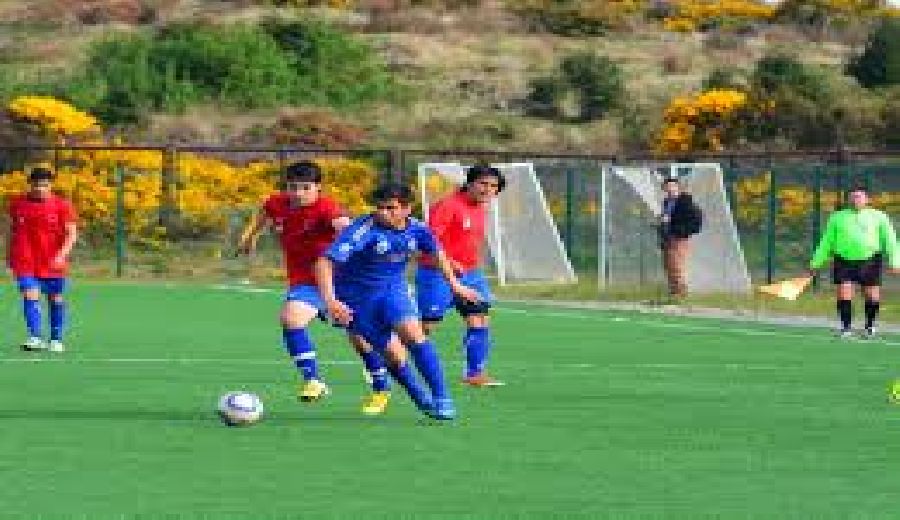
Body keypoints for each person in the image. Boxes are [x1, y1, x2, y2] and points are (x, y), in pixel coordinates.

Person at [315, 182, 481, 420]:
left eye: (390, 208)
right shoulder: (362, 229)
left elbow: (437, 253)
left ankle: (442, 397)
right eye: (380, 207)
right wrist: (330, 300)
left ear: (407, 209)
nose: (383, 213)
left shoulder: (418, 229)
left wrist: (455, 285)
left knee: (414, 335)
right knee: (393, 355)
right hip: (357, 298)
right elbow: (325, 262)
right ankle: (417, 393)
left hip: (393, 290)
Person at [238, 160, 360, 402]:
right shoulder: (277, 203)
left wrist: (350, 235)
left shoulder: (327, 208)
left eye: (305, 188)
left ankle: (381, 379)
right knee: (291, 319)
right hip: (306, 282)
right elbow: (265, 212)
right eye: (292, 187)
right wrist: (250, 236)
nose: (298, 193)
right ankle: (313, 380)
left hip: (340, 281)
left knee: (363, 338)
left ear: (318, 188)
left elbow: (345, 226)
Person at [416, 164, 505, 387]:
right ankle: (388, 356)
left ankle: (474, 374)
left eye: (493, 186)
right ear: (470, 183)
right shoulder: (447, 206)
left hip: (471, 274)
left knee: (480, 319)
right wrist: (450, 262)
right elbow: (427, 243)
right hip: (436, 274)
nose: (488, 189)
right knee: (426, 326)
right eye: (483, 183)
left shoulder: (481, 208)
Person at [808, 185, 899, 338]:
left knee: (872, 296)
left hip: (870, 260)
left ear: (867, 199)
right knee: (844, 293)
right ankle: (846, 328)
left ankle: (870, 326)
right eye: (853, 197)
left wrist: (895, 262)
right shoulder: (837, 217)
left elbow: (891, 241)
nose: (855, 199)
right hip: (843, 261)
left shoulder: (879, 217)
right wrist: (815, 263)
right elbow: (826, 242)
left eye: (859, 196)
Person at [7, 167, 78, 352]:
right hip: (25, 260)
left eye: (45, 185)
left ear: (50, 185)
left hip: (52, 261)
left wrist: (62, 254)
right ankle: (35, 337)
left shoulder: (62, 205)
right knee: (30, 294)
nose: (40, 189)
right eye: (36, 185)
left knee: (55, 298)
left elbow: (71, 234)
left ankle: (56, 339)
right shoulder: (17, 204)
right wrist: (9, 254)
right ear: (30, 185)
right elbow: (11, 231)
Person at [658, 177, 702, 299]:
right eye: (667, 187)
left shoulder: (685, 201)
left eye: (672, 186)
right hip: (667, 237)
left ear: (678, 187)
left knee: (677, 265)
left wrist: (679, 230)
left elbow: (693, 219)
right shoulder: (666, 202)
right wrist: (661, 224)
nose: (669, 189)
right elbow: (667, 218)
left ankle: (682, 292)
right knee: (668, 265)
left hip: (679, 238)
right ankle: (673, 291)